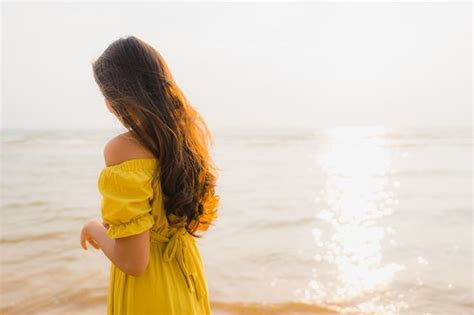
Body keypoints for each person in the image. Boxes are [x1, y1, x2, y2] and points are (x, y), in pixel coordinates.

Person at [80, 35, 220, 315]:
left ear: (117, 97)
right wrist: (122, 229)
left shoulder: (123, 149)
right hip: (186, 280)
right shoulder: (187, 140)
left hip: (150, 293)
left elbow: (134, 262)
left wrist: (93, 228)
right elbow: (166, 217)